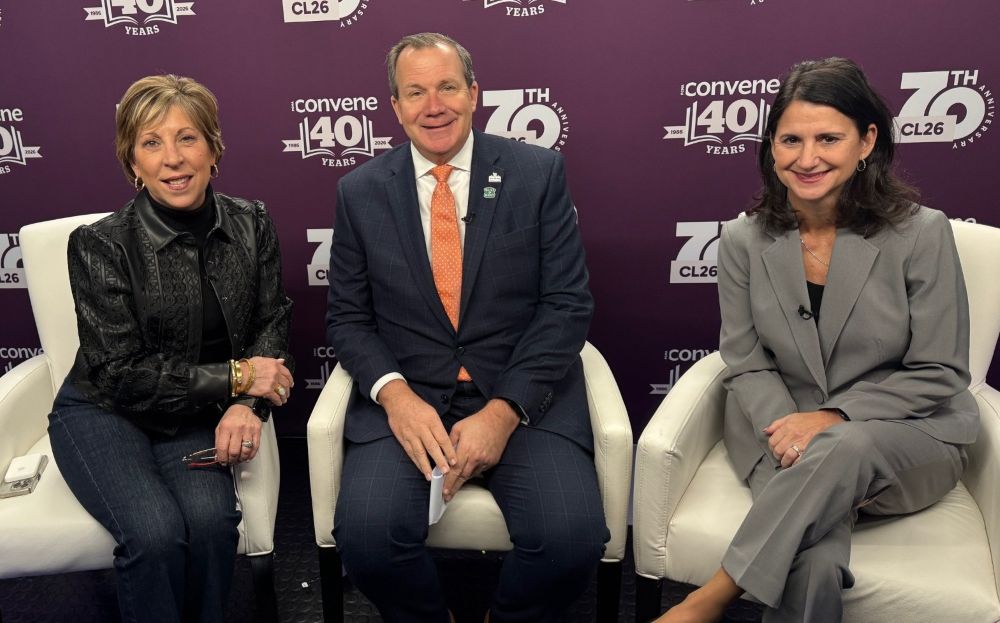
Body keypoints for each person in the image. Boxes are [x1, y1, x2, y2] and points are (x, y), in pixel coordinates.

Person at [657, 58, 979, 623]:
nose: (807, 159)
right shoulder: (741, 240)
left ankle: (710, 599)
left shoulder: (922, 232)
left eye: (828, 138)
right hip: (779, 431)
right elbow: (747, 360)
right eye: (791, 140)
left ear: (866, 142)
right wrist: (791, 432)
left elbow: (940, 372)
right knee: (816, 563)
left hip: (908, 440)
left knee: (845, 447)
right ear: (771, 148)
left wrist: (831, 418)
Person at [326, 32, 608, 623]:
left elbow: (566, 305)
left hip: (523, 396)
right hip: (410, 402)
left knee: (570, 540)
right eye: (416, 92)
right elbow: (348, 319)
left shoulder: (537, 173)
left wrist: (504, 411)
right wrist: (395, 396)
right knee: (368, 538)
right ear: (395, 106)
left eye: (448, 87)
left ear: (474, 93)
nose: (435, 106)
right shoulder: (359, 193)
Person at [47, 74, 294, 623]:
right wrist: (235, 379)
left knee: (209, 528)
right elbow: (117, 373)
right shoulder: (100, 244)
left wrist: (244, 404)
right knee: (155, 534)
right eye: (151, 143)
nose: (172, 159)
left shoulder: (252, 222)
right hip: (104, 413)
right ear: (132, 161)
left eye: (187, 138)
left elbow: (272, 324)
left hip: (191, 416)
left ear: (214, 148)